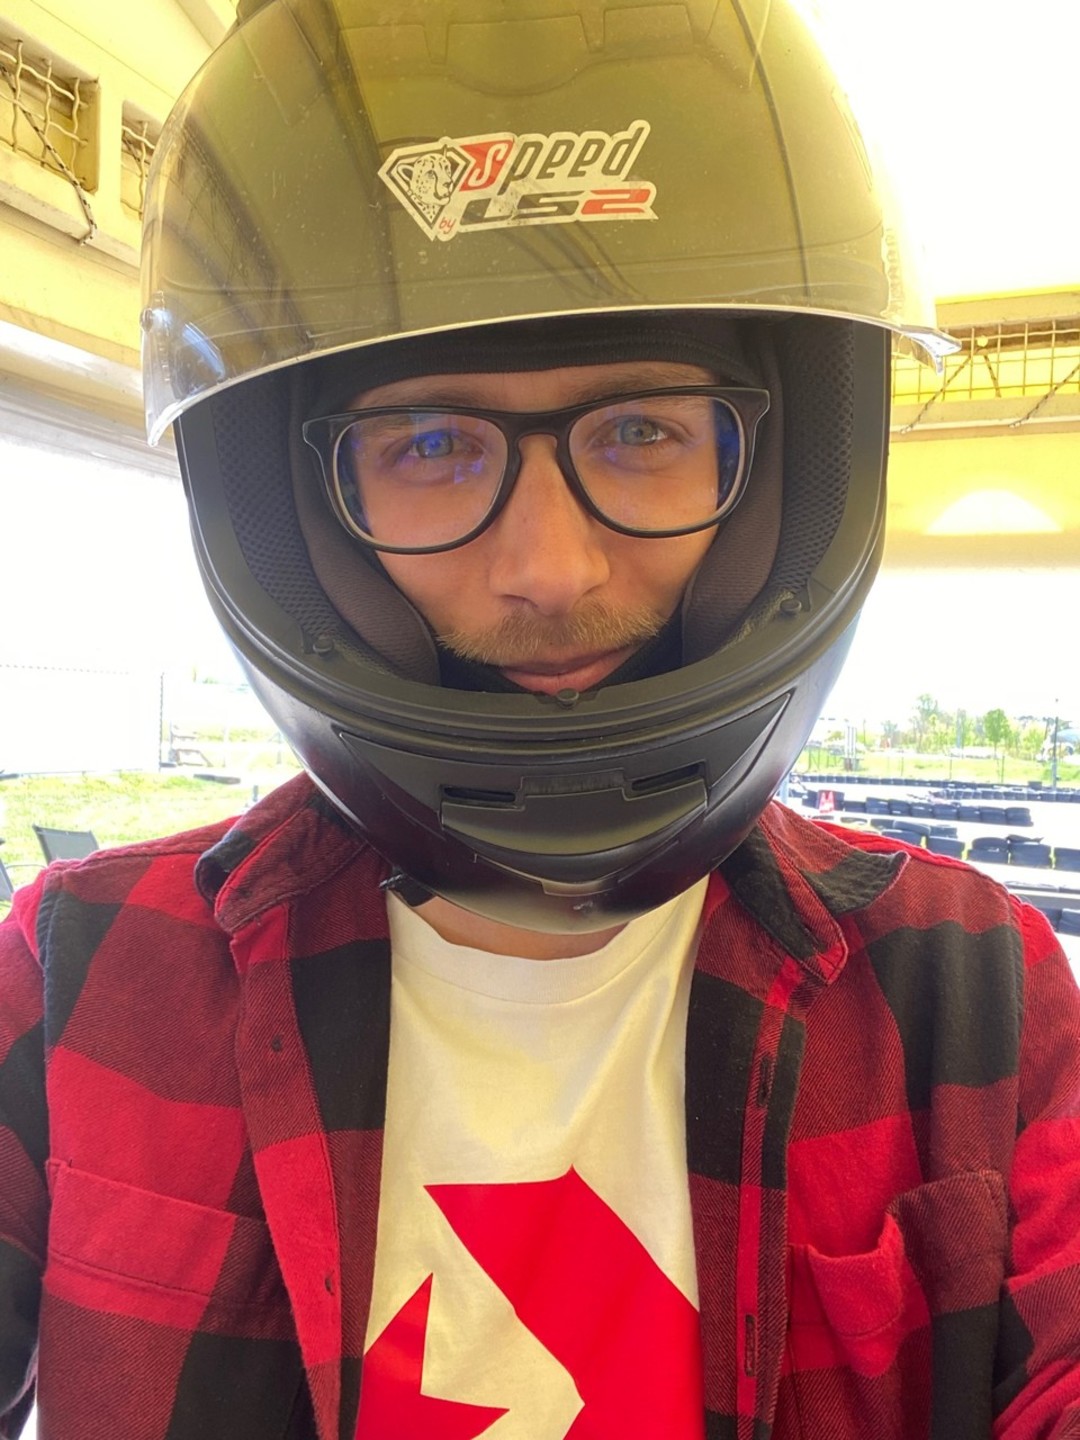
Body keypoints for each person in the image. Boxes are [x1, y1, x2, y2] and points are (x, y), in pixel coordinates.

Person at [1, 1, 1078, 1436]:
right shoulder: (83, 971)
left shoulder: (971, 990)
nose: (550, 569)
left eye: (640, 431)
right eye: (430, 446)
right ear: (296, 513)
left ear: (779, 478)